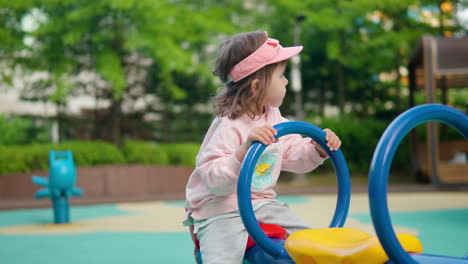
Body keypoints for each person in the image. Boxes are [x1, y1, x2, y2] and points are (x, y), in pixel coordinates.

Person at [184, 30, 342, 264]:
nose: (286, 81)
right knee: (221, 259)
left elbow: (290, 152)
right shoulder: (230, 125)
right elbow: (212, 179)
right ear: (256, 87)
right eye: (281, 76)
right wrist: (242, 152)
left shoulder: (273, 116)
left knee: (309, 242)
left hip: (262, 204)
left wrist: (316, 149)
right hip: (221, 209)